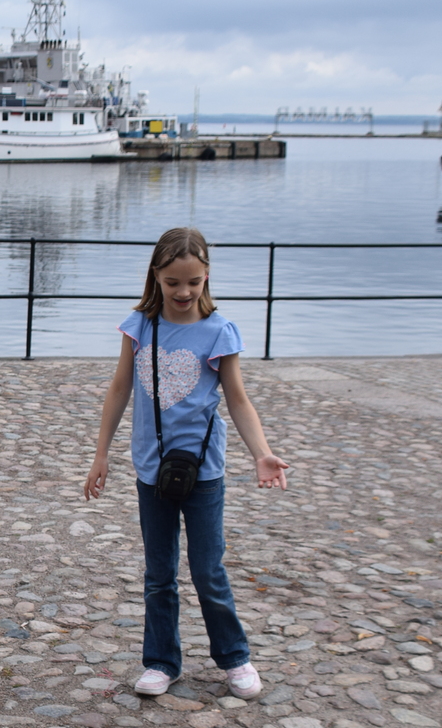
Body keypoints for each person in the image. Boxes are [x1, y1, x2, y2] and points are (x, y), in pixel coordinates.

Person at [83, 227, 290, 700]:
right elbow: (119, 388)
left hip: (204, 471)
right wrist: (101, 453)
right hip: (151, 468)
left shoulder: (219, 331)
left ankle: (235, 658)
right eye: (173, 282)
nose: (183, 292)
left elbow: (237, 399)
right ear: (155, 276)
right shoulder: (139, 326)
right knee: (159, 575)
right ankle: (161, 662)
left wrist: (262, 453)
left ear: (206, 277)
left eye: (193, 282)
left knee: (207, 570)